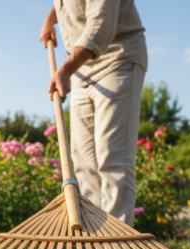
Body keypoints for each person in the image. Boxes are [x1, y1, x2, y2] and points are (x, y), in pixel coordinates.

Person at [40, 0, 148, 226]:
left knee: (112, 156)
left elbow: (101, 26)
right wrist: (51, 18)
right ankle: (95, 239)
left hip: (118, 59)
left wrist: (66, 69)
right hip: (81, 68)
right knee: (83, 160)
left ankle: (116, 244)